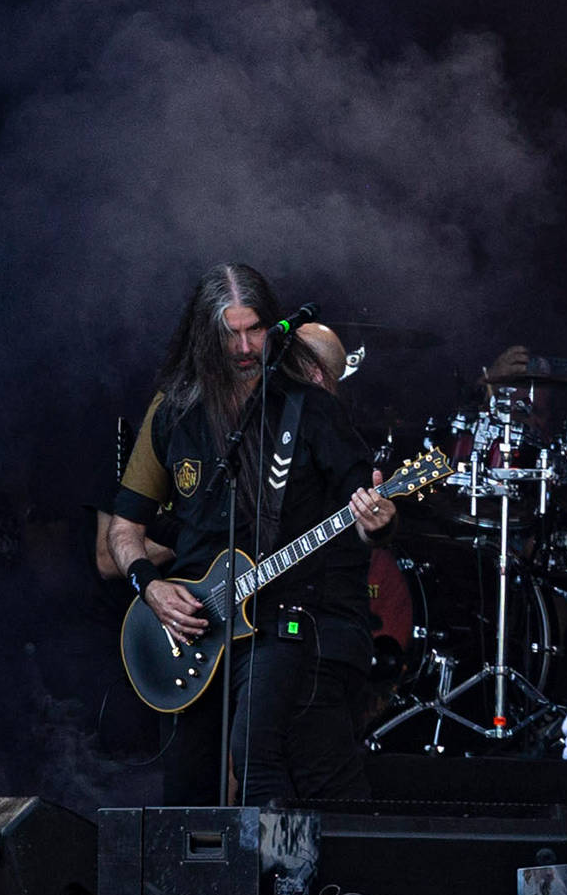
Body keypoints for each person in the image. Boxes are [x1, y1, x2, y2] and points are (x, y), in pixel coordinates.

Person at [106, 264, 402, 805]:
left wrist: (377, 522)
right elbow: (125, 527)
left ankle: (283, 863)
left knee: (256, 761)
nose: (244, 348)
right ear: (205, 334)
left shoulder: (309, 409)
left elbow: (365, 512)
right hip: (195, 624)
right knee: (187, 789)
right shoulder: (173, 411)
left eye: (255, 329)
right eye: (230, 333)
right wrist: (150, 586)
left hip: (279, 618)